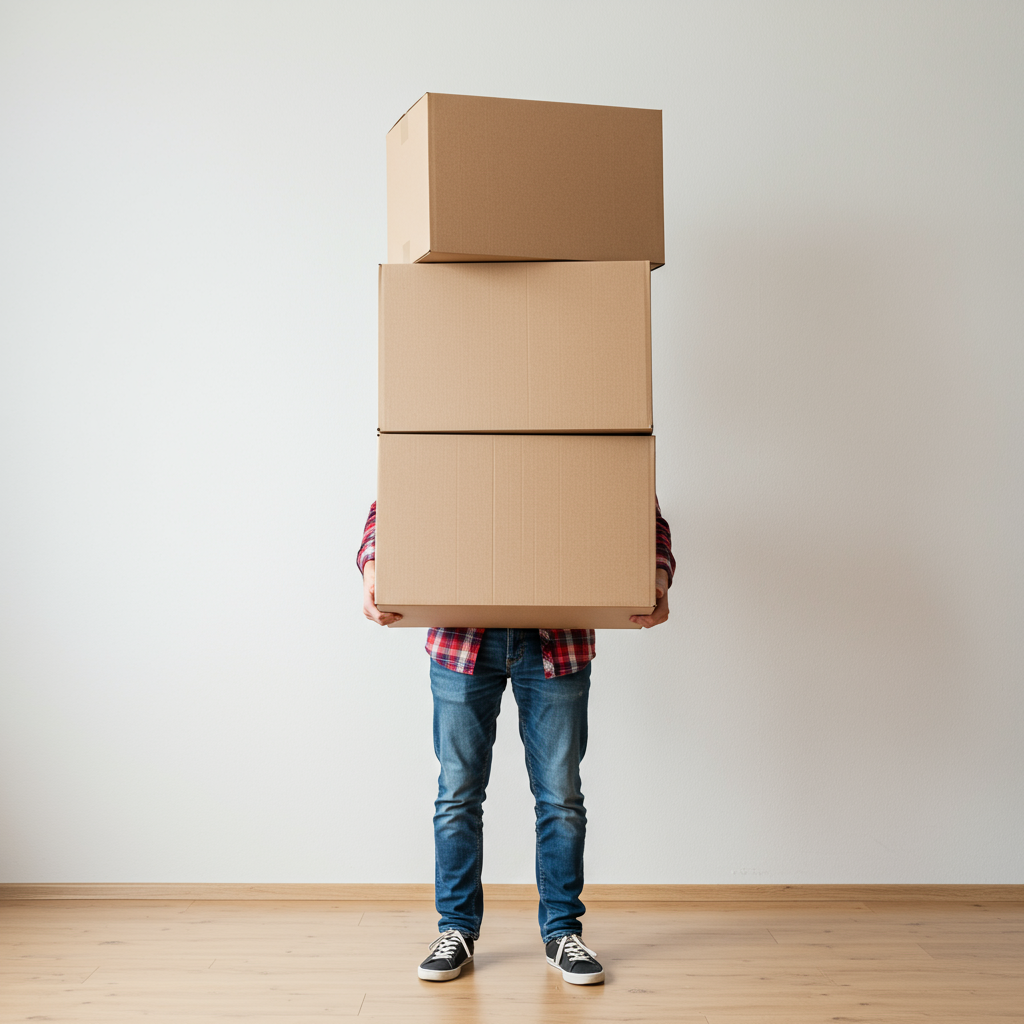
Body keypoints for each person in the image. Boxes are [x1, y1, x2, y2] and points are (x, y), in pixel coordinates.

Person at [357, 499, 674, 984]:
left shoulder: (584, 433)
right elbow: (396, 499)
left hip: (558, 635)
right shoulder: (451, 431)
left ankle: (563, 931)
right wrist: (374, 566)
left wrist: (656, 575)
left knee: (561, 796)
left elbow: (636, 507)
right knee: (457, 794)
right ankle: (456, 929)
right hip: (462, 636)